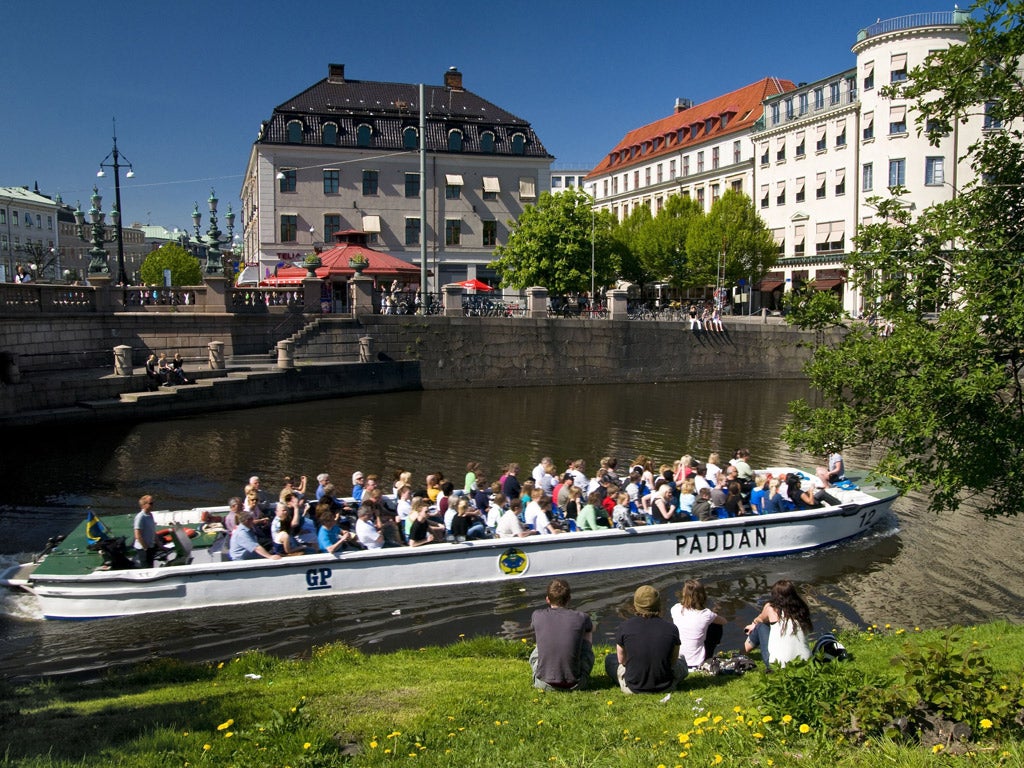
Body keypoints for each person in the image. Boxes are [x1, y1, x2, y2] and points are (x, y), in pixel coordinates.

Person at [604, 585, 688, 694]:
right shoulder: (671, 628)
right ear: (658, 604)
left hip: (632, 687)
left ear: (635, 605)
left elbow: (622, 660)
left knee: (610, 659)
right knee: (682, 659)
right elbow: (673, 661)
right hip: (666, 686)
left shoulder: (625, 627)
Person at [529, 578, 595, 691]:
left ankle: (549, 668)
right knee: (586, 633)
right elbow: (590, 631)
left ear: (547, 599)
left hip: (543, 683)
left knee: (540, 646)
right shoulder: (582, 617)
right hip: (577, 684)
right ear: (569, 598)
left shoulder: (537, 615)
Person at [744, 579, 813, 669]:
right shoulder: (802, 608)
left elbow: (760, 619)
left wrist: (753, 624)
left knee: (761, 626)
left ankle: (742, 653)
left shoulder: (771, 608)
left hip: (777, 665)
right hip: (806, 663)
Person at [670, 579, 727, 670]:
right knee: (716, 626)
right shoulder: (706, 614)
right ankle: (708, 657)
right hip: (697, 663)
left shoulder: (675, 609)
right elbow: (724, 621)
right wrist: (714, 614)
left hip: (679, 661)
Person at [133, 494, 159, 568]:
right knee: (146, 568)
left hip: (150, 546)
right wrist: (145, 547)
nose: (152, 505)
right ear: (144, 505)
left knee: (151, 566)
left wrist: (160, 545)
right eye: (151, 503)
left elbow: (152, 531)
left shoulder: (150, 515)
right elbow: (137, 535)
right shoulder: (140, 517)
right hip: (143, 548)